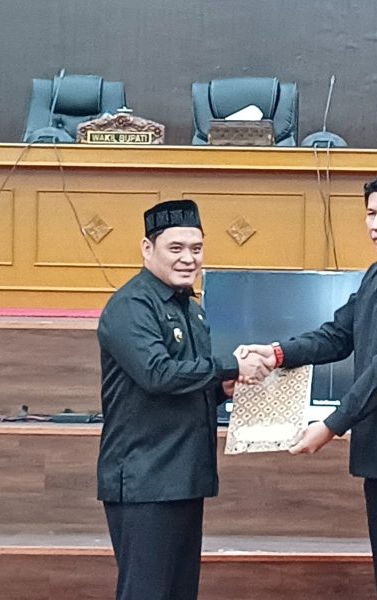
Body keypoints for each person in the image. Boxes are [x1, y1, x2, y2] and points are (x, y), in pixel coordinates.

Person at [239, 172, 377, 600]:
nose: (376, 224)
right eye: (370, 214)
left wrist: (331, 425)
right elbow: (338, 335)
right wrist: (278, 354)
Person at [96, 199, 270, 600]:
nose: (188, 258)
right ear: (147, 248)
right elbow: (157, 374)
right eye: (175, 248)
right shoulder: (132, 305)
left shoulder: (191, 309)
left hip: (184, 477)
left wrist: (222, 389)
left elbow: (187, 382)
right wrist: (230, 367)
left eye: (196, 248)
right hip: (145, 479)